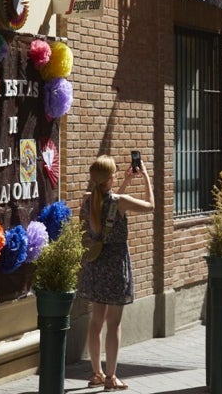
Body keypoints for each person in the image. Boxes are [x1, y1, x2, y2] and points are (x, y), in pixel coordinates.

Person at [78, 154, 154, 391]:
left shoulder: (88, 200)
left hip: (96, 265)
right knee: (114, 324)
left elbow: (108, 208)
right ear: (110, 178)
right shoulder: (121, 201)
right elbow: (150, 206)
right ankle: (111, 377)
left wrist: (125, 183)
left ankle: (96, 374)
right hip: (116, 265)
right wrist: (145, 177)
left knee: (96, 321)